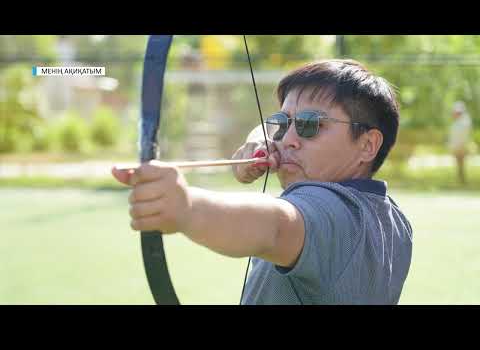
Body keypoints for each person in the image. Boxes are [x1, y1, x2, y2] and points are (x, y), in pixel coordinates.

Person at [112, 59, 413, 305]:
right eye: (283, 123)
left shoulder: (330, 209)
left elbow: (276, 226)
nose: (290, 139)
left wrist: (186, 207)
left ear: (367, 145)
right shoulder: (394, 221)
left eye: (311, 125)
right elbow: (266, 130)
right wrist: (261, 143)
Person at [448, 101, 472, 184]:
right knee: (459, 164)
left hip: (461, 145)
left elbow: (462, 136)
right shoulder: (458, 122)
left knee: (461, 163)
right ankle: (460, 179)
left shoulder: (464, 121)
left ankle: (462, 180)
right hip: (457, 145)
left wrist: (461, 145)